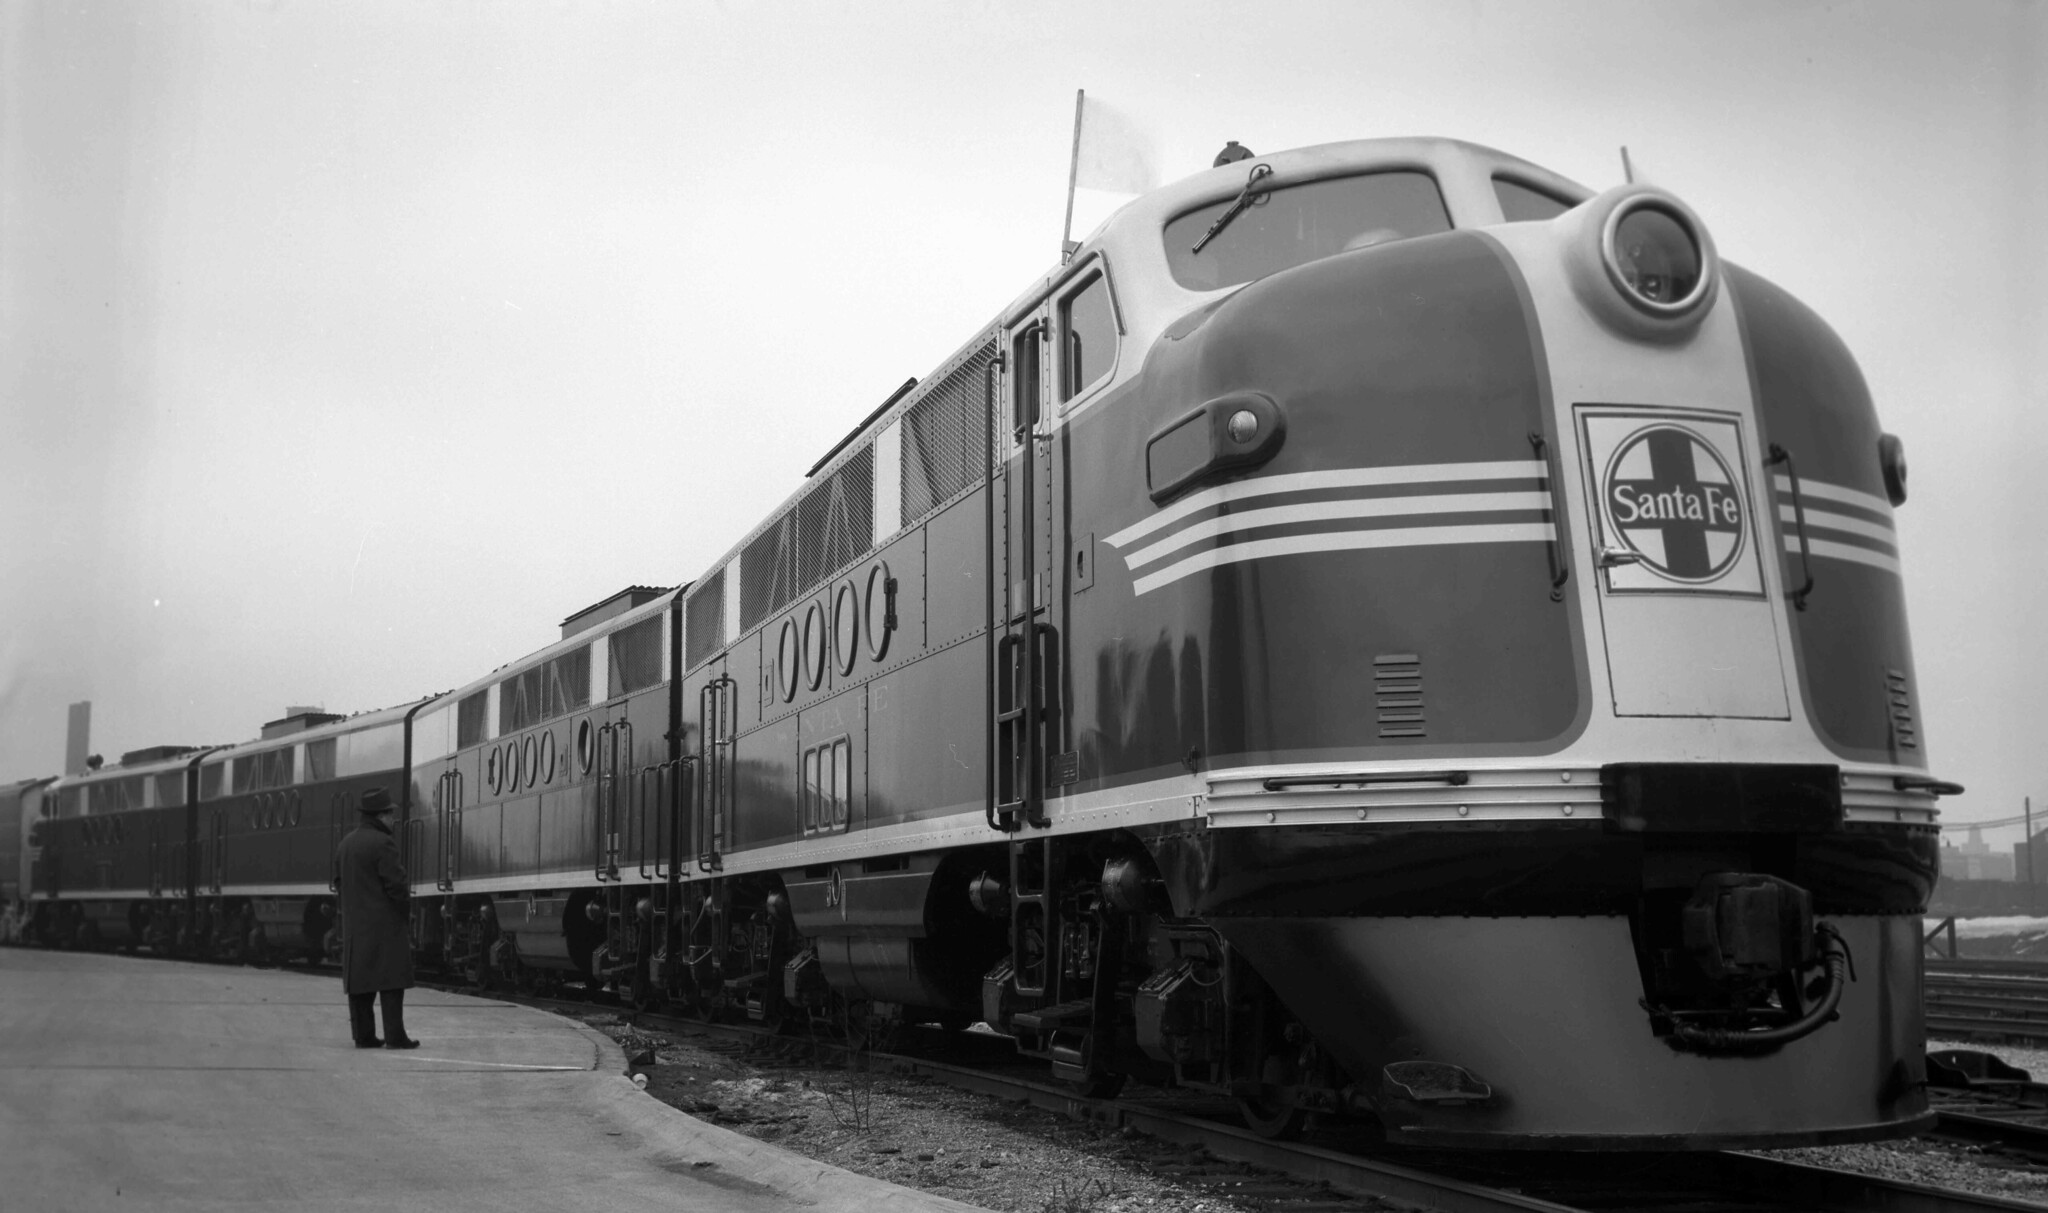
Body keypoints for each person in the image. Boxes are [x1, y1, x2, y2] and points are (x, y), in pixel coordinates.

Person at [337, 786, 418, 1048]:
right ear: (380, 816)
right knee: (392, 983)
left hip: (355, 927)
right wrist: (404, 913)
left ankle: (364, 1036)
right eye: (390, 814)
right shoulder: (383, 843)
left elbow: (339, 883)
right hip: (386, 926)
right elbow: (397, 886)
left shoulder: (346, 844)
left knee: (360, 984)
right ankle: (396, 1036)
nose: (393, 818)